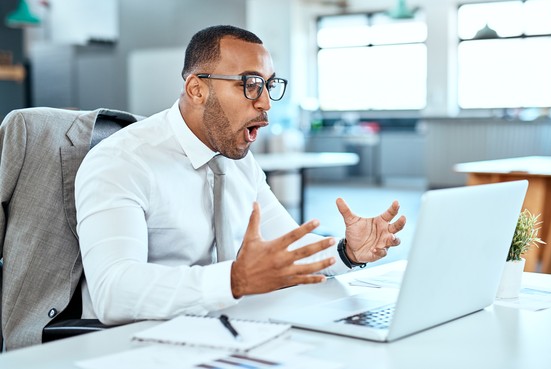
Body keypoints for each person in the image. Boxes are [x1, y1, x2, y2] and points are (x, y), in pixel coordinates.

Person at [75, 25, 406, 325]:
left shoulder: (237, 159)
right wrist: (234, 280)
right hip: (139, 343)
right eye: (250, 85)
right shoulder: (122, 161)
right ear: (196, 89)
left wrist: (347, 252)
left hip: (230, 327)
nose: (266, 103)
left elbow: (289, 250)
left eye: (269, 85)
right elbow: (112, 291)